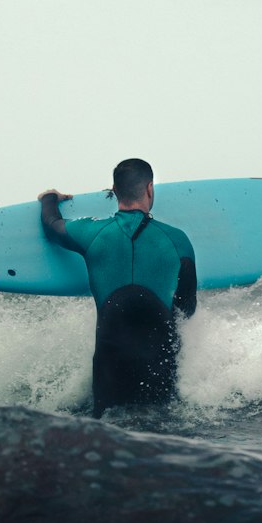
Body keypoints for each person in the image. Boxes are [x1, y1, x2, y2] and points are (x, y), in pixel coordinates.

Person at [39, 159, 197, 417]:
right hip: (159, 368)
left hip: (109, 369)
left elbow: (53, 226)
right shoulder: (177, 240)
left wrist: (49, 198)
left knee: (108, 430)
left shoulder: (92, 233)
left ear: (114, 190)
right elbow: (187, 309)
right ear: (149, 188)